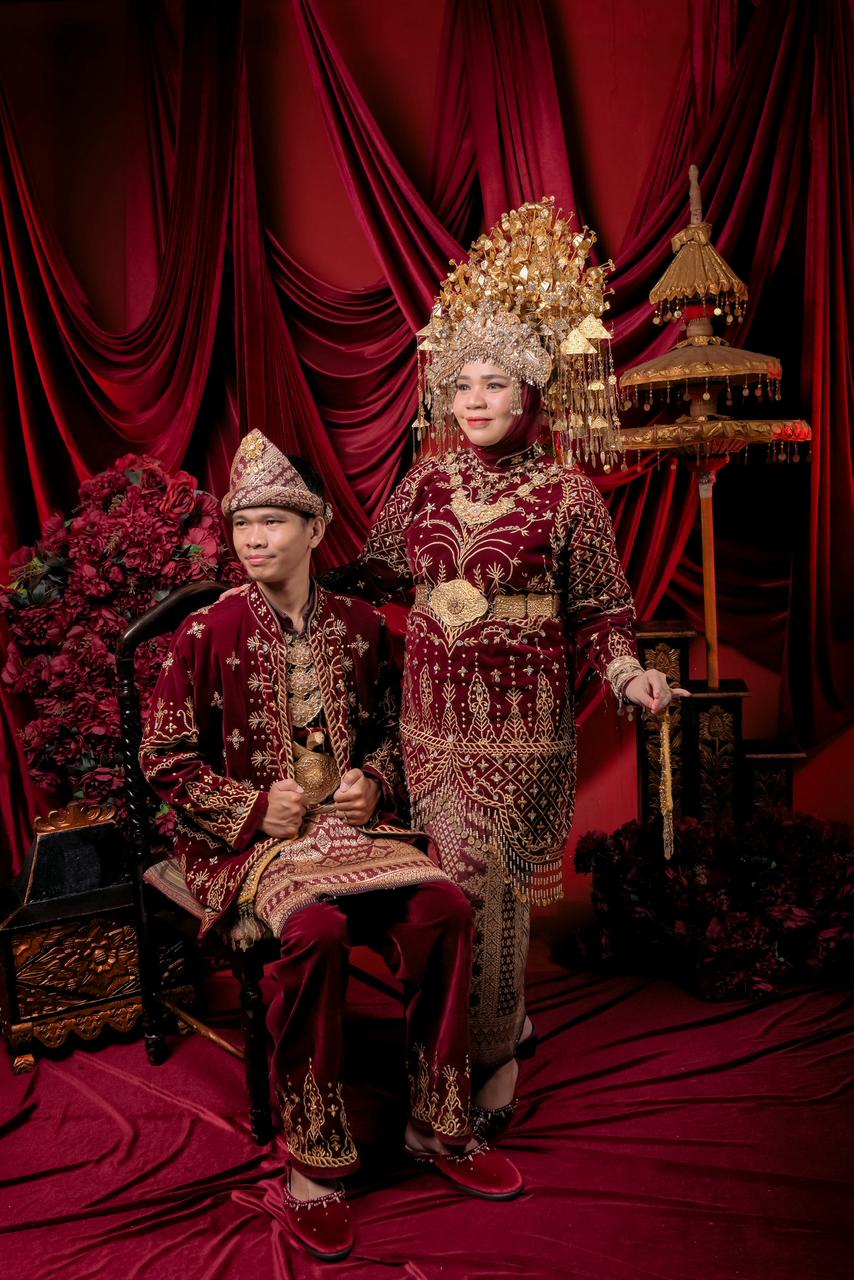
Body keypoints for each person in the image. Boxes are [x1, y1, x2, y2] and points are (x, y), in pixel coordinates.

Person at [332, 198, 688, 1136]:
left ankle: (490, 1058)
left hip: (520, 728)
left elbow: (603, 614)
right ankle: (493, 1026)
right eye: (463, 384)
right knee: (444, 891)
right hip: (428, 722)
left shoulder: (569, 495)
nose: (476, 400)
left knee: (487, 886)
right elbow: (375, 578)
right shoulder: (425, 482)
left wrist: (630, 677)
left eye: (496, 382)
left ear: (531, 391)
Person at [139, 431, 522, 1263]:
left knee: (445, 908)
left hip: (358, 834)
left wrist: (375, 781)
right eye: (243, 524)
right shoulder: (206, 632)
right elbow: (162, 757)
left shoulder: (360, 624)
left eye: (274, 521)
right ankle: (313, 1160)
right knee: (317, 932)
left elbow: (396, 733)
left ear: (315, 529)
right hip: (249, 846)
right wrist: (250, 807)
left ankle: (437, 1122)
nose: (255, 539)